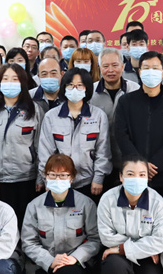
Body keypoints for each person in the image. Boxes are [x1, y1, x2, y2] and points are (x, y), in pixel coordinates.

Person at [22, 154, 100, 274]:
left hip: (75, 264)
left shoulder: (85, 204)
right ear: (45, 176)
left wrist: (74, 258)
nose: (57, 179)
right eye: (52, 175)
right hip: (48, 263)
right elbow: (28, 242)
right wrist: (50, 261)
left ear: (72, 178)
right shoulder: (34, 206)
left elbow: (95, 239)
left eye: (63, 175)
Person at [97, 156, 163, 274]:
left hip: (135, 254)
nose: (136, 179)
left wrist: (122, 248)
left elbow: (160, 241)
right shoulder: (108, 199)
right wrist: (141, 245)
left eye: (142, 174)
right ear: (121, 177)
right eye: (130, 174)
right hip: (125, 254)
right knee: (113, 268)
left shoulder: (157, 202)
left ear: (147, 178)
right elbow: (106, 236)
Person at [114, 51, 163, 206]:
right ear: (140, 72)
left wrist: (155, 165)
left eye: (155, 68)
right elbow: (121, 134)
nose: (150, 72)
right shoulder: (126, 102)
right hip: (133, 176)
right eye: (146, 68)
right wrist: (141, 165)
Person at [0, 64, 42, 225]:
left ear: (23, 83)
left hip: (25, 177)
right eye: (5, 79)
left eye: (15, 79)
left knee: (24, 222)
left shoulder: (34, 109)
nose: (10, 83)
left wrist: (41, 177)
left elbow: (40, 147)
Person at [37, 68, 111, 200]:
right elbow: (44, 152)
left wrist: (98, 178)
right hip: (59, 181)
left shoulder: (99, 116)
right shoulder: (51, 116)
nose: (74, 89)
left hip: (88, 181)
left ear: (86, 88)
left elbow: (103, 151)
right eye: (70, 85)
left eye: (79, 85)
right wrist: (47, 180)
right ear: (64, 88)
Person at [92, 48, 140, 181]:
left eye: (115, 65)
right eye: (105, 66)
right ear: (99, 68)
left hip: (129, 159)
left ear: (123, 66)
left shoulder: (135, 90)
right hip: (99, 161)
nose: (110, 70)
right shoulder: (91, 93)